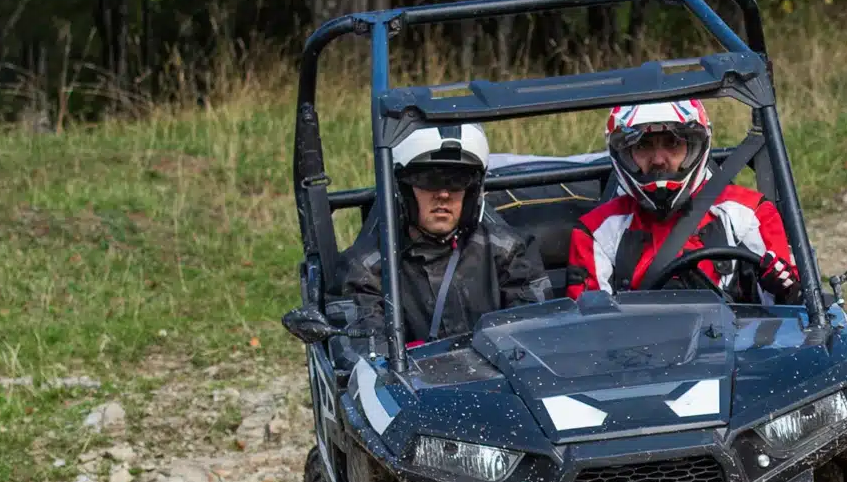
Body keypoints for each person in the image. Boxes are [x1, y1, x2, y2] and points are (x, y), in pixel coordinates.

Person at [568, 100, 801, 301]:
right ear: (625, 153)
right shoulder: (595, 231)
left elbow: (791, 320)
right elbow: (591, 330)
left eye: (672, 143)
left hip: (737, 346)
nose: (659, 160)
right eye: (643, 145)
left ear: (694, 148)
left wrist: (782, 290)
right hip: (639, 349)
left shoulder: (750, 213)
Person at [342, 123, 550, 344]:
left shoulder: (510, 251)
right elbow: (365, 357)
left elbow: (538, 338)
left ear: (472, 191)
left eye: (457, 181)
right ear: (403, 190)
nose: (443, 194)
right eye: (429, 180)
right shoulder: (365, 269)